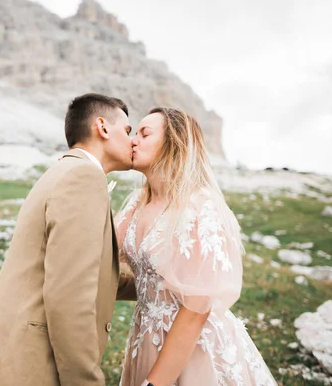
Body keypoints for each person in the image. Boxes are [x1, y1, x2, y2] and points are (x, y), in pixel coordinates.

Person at [0, 93, 137, 386]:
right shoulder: (83, 178)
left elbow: (83, 272)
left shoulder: (66, 170)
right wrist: (85, 381)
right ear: (102, 127)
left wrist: (157, 285)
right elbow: (70, 294)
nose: (133, 141)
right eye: (127, 131)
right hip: (27, 365)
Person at [115, 107, 276, 386]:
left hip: (195, 347)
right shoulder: (135, 204)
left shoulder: (199, 206)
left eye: (145, 133)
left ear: (173, 143)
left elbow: (196, 310)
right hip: (146, 338)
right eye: (134, 133)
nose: (133, 140)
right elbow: (99, 258)